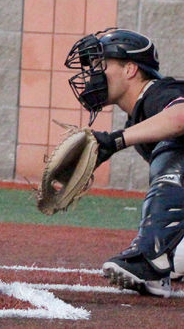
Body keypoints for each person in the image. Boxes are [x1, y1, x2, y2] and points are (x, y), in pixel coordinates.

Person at [64, 28, 184, 298]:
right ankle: (159, 262)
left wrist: (117, 140)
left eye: (101, 64)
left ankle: (150, 258)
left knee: (173, 151)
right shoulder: (139, 115)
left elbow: (181, 117)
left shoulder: (159, 93)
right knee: (179, 258)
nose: (94, 73)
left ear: (130, 69)